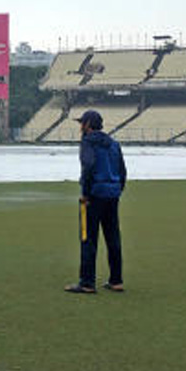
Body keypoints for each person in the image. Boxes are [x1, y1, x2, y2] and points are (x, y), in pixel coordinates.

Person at [65, 110, 127, 294]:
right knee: (113, 237)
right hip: (112, 194)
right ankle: (116, 280)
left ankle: (87, 282)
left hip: (93, 195)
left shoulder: (87, 142)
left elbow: (89, 166)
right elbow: (122, 170)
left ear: (88, 124)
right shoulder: (114, 144)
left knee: (87, 238)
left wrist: (85, 192)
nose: (80, 127)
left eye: (82, 123)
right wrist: (118, 189)